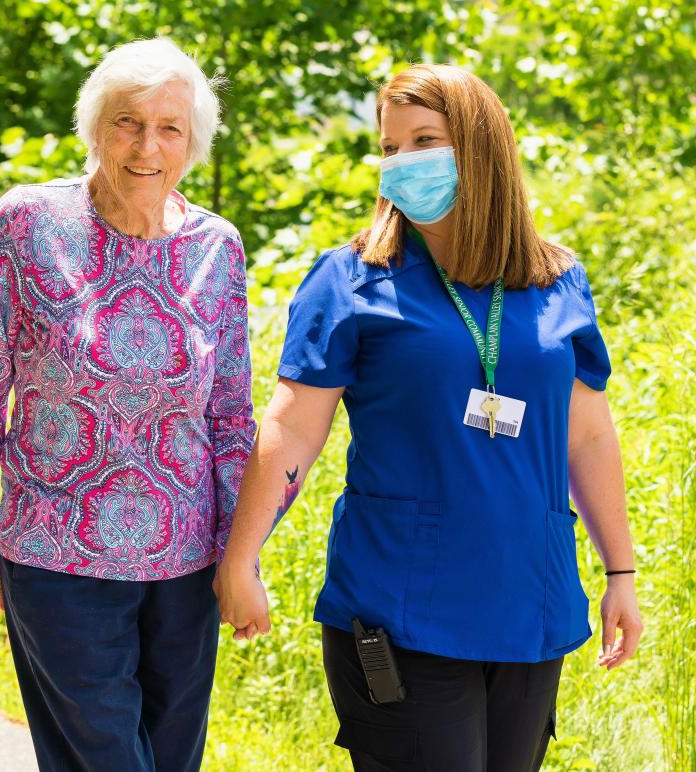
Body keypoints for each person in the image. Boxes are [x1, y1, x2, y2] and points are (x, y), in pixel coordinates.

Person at [215, 64, 643, 771]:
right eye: (390, 147)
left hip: (528, 606)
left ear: (481, 148)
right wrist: (241, 559)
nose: (403, 162)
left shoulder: (556, 280)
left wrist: (620, 572)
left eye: (424, 140)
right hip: (402, 610)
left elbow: (588, 434)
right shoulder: (350, 279)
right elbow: (293, 427)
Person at [0, 37, 256, 772]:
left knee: (171, 761)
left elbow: (233, 419)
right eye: (127, 122)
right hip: (57, 559)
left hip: (185, 566)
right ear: (94, 128)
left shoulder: (219, 247)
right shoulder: (27, 223)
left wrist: (240, 556)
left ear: (193, 143)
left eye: (169, 128)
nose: (148, 145)